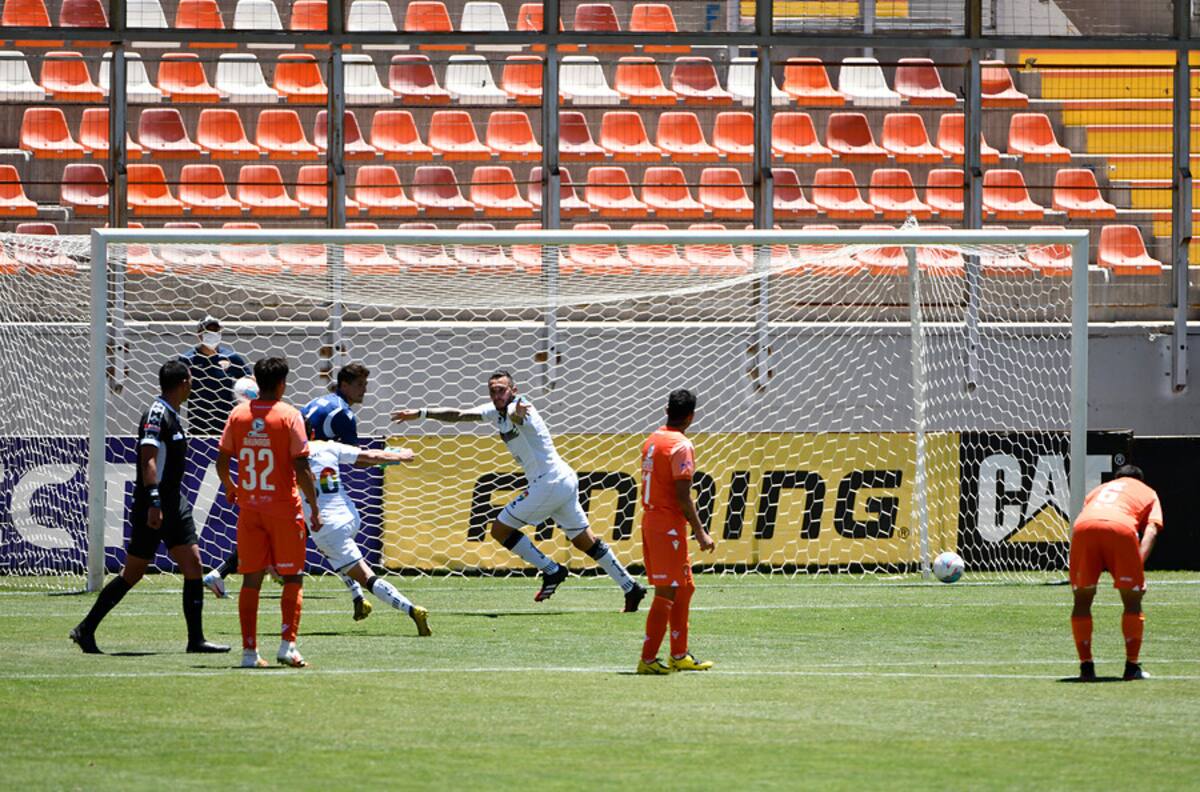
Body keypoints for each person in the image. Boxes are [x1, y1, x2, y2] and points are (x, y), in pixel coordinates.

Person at [392, 370, 646, 611]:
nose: (497, 395)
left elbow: (517, 415)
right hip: (561, 480)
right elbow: (459, 414)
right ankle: (631, 587)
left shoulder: (520, 407)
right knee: (584, 541)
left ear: (513, 390)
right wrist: (421, 413)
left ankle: (552, 570)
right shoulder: (495, 411)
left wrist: (517, 413)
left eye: (501, 390)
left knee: (500, 529)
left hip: (549, 482)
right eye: (493, 391)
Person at [70, 360, 229, 656]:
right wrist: (154, 501)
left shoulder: (173, 414)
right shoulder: (156, 414)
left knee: (193, 564)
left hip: (174, 502)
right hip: (154, 504)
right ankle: (85, 629)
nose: (192, 385)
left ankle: (196, 640)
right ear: (183, 383)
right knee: (133, 573)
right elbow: (148, 460)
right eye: (191, 380)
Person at [217, 357, 322, 669]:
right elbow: (301, 465)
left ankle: (249, 653)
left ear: (257, 381)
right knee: (293, 576)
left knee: (251, 579)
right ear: (282, 384)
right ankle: (288, 646)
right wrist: (314, 506)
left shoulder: (238, 415)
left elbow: (222, 461)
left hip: (250, 509)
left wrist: (231, 487)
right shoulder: (289, 415)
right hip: (283, 510)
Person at [303, 421, 431, 636]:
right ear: (313, 433)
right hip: (350, 516)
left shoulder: (289, 456)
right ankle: (358, 599)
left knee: (367, 577)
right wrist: (399, 456)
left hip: (327, 526)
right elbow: (370, 456)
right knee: (337, 556)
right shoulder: (329, 447)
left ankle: (412, 609)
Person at [636, 389, 716, 675]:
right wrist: (701, 532)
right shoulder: (681, 445)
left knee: (685, 587)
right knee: (667, 592)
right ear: (691, 416)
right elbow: (683, 495)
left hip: (654, 521)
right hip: (666, 526)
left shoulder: (653, 439)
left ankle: (679, 655)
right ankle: (647, 660)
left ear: (666, 410)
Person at [1069, 464, 1163, 682]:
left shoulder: (1098, 490)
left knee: (1082, 600)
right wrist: (1137, 564)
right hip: (1121, 527)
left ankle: (1086, 667)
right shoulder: (1148, 492)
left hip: (1083, 527)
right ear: (1139, 480)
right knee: (1132, 601)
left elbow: (1089, 515)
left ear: (1116, 478)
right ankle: (1131, 667)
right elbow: (1151, 530)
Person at [180, 314, 250, 437]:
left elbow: (250, 381)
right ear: (199, 335)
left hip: (226, 429)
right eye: (208, 331)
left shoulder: (231, 357)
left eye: (215, 331)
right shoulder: (187, 360)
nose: (212, 334)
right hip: (197, 429)